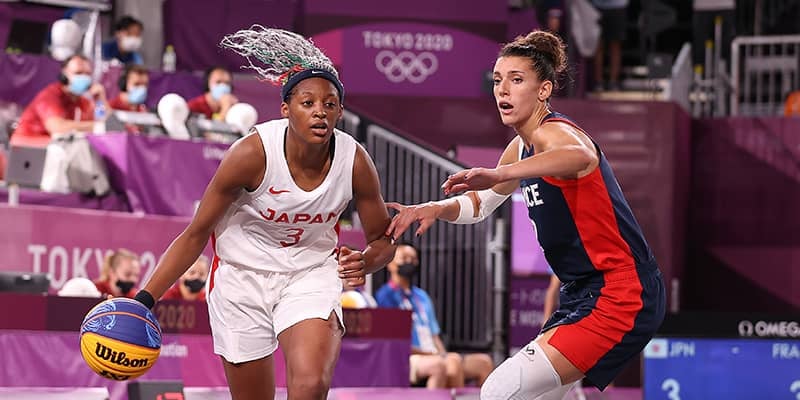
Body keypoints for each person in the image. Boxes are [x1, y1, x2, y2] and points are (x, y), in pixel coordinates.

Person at [386, 30, 665, 400]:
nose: (503, 90)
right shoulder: (520, 147)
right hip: (582, 293)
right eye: (498, 80)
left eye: (517, 80)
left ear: (544, 90)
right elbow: (479, 204)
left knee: (499, 390)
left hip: (620, 291)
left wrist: (500, 173)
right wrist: (435, 208)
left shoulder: (555, 132)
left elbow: (581, 155)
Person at [132, 26, 396, 400]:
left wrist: (367, 262)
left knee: (310, 386)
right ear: (286, 109)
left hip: (309, 273)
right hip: (241, 276)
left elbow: (382, 240)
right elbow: (195, 234)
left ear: (339, 111)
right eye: (308, 103)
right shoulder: (251, 154)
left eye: (329, 104)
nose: (319, 112)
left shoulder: (355, 162)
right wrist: (144, 299)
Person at [375, 242, 494, 389]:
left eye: (413, 259)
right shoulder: (385, 296)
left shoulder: (422, 296)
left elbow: (434, 335)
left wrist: (442, 354)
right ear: (390, 264)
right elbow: (394, 342)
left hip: (433, 353)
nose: (410, 262)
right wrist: (435, 355)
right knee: (451, 363)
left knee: (483, 363)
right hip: (409, 356)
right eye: (404, 258)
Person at [10, 54, 107, 147]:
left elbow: (105, 124)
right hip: (27, 146)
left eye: (88, 74)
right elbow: (57, 128)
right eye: (78, 73)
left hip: (55, 148)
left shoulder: (83, 102)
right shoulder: (50, 95)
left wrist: (100, 100)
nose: (84, 78)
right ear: (64, 75)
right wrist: (96, 126)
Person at [591, 0, 628, 92]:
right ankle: (598, 82)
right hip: (596, 6)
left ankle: (613, 82)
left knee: (615, 45)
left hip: (618, 6)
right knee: (598, 45)